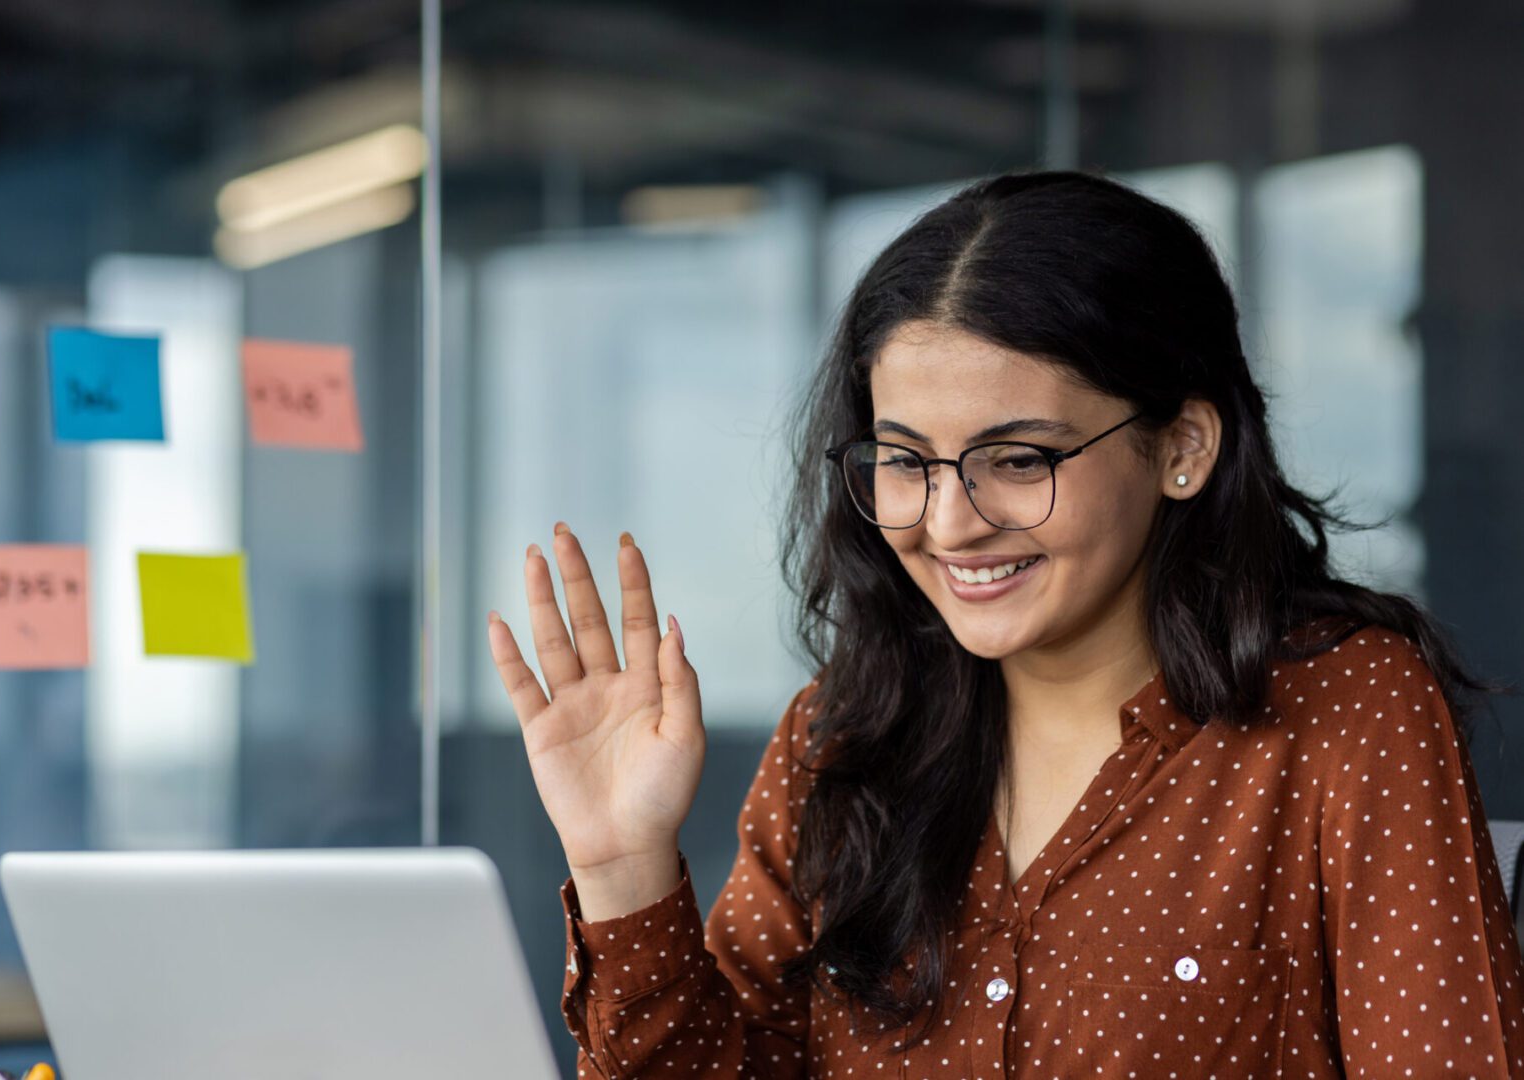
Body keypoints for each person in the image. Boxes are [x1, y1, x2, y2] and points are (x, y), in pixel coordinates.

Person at [485, 170, 1524, 1078]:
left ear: (1182, 447)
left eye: (1017, 460)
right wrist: (623, 865)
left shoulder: (1346, 714)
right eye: (903, 460)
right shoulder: (843, 737)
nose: (948, 524)